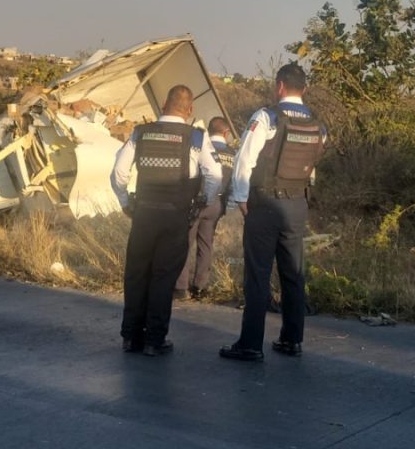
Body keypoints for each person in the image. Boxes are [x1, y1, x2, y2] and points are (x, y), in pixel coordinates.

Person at [220, 64, 326, 362]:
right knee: (293, 273)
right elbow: (313, 163)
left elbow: (245, 159)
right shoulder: (319, 124)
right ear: (303, 89)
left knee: (258, 274)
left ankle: (251, 344)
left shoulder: (267, 117)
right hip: (297, 205)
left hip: (265, 204)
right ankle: (292, 340)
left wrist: (240, 198)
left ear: (279, 86)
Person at [111, 85, 222, 356]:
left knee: (136, 274)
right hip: (175, 216)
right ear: (190, 110)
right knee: (163, 277)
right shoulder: (196, 137)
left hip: (144, 215)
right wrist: (202, 203)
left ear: (163, 103)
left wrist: (126, 204)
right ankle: (154, 340)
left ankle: (130, 337)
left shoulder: (141, 133)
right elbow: (214, 175)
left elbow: (118, 172)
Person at [175, 116, 235, 300]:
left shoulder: (202, 146)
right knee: (206, 244)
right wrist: (226, 205)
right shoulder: (233, 153)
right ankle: (200, 287)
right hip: (217, 204)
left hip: (196, 201)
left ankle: (180, 288)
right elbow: (234, 183)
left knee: (185, 243)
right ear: (226, 133)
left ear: (209, 131)